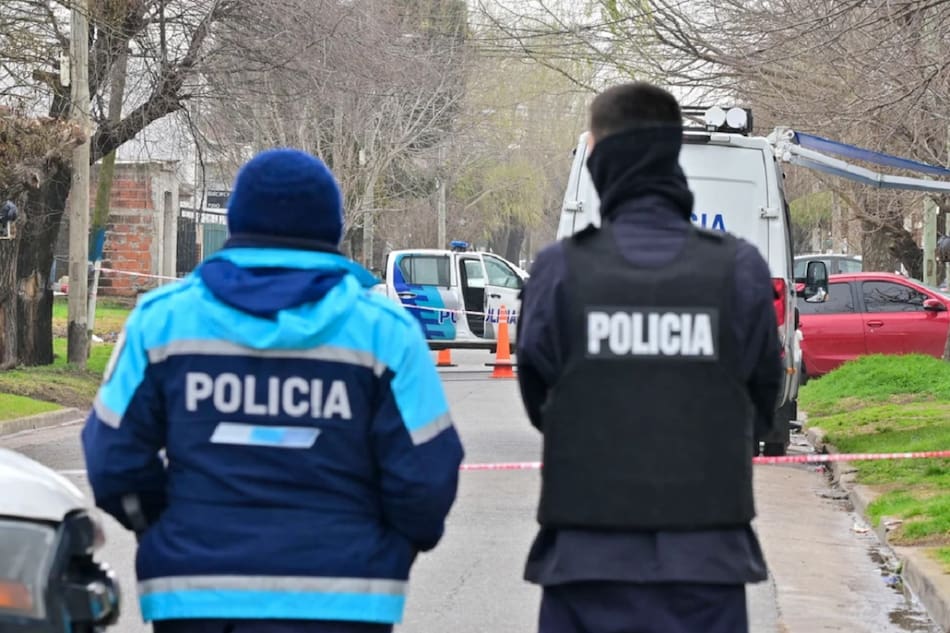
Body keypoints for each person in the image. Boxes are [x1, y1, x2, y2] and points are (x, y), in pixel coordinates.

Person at [82, 148, 464, 633]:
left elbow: (113, 459)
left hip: (198, 596)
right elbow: (427, 476)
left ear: (235, 220)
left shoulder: (162, 322)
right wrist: (384, 547)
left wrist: (166, 527)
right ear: (333, 228)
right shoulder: (386, 332)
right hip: (344, 598)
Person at [516, 82, 783, 633]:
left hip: (586, 568)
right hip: (705, 570)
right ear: (671, 151)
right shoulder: (739, 269)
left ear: (595, 153)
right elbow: (761, 402)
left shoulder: (559, 272)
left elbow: (542, 404)